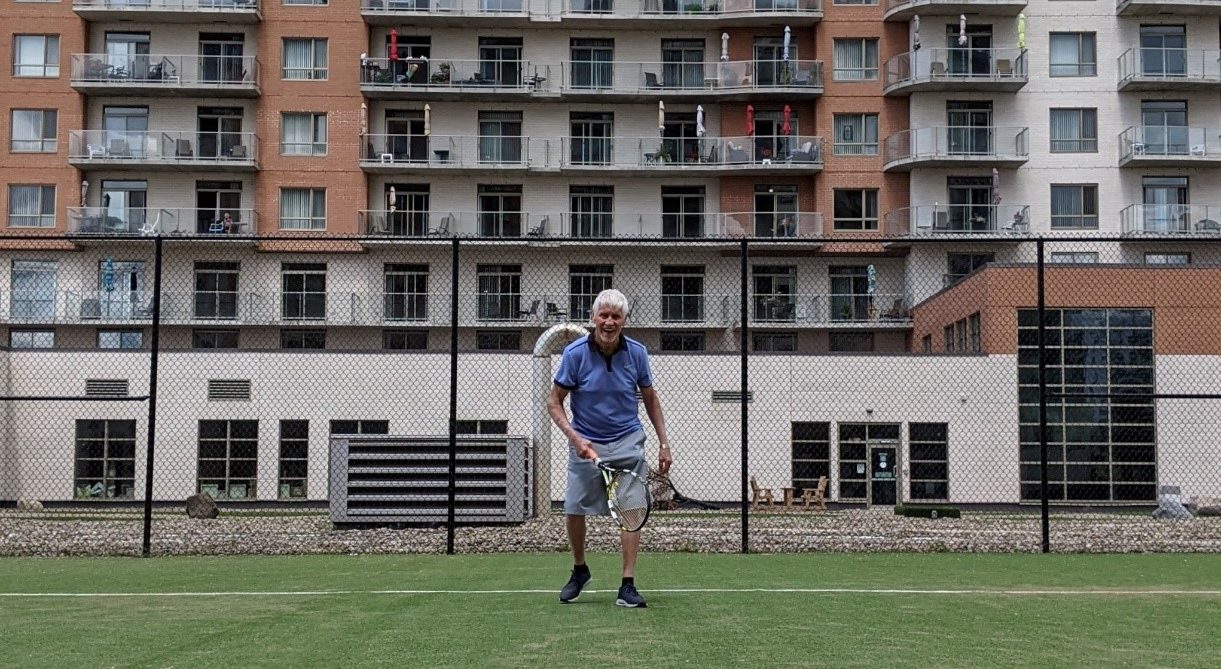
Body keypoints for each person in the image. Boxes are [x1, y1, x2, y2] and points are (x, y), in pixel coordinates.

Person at [547, 288, 672, 608]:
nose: (609, 322)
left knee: (631, 511)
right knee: (574, 509)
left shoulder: (637, 353)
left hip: (628, 439)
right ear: (593, 319)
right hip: (585, 441)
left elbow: (650, 398)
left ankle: (627, 585)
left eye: (616, 316)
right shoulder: (574, 354)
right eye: (604, 315)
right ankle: (579, 570)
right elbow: (554, 402)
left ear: (624, 321)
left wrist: (663, 442)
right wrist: (576, 439)